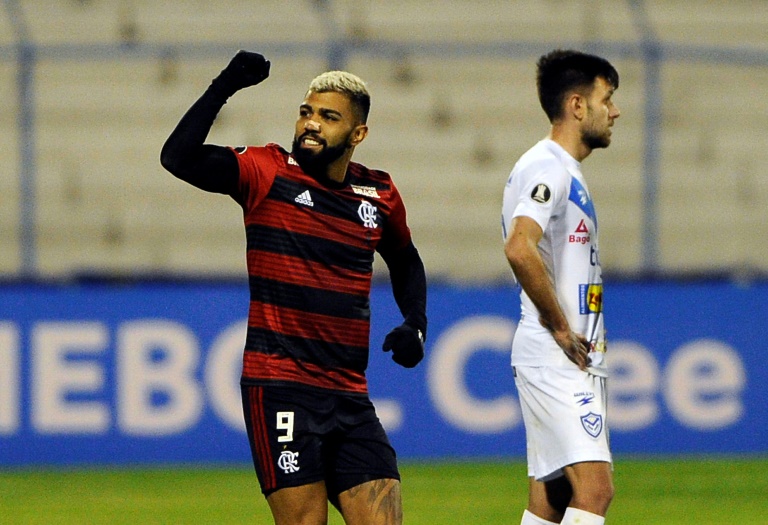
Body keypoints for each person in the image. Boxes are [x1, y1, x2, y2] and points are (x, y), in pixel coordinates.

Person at [161, 50, 427, 525]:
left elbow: (405, 260)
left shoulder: (379, 193)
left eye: (328, 117)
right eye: (306, 111)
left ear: (358, 134)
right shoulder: (266, 172)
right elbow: (177, 158)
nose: (311, 123)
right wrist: (224, 84)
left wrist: (416, 324)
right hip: (281, 387)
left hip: (349, 392)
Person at [501, 49, 620, 525]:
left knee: (550, 498)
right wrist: (559, 327)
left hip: (566, 355)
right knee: (595, 490)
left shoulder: (563, 169)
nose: (614, 111)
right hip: (556, 355)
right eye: (606, 98)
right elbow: (519, 246)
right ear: (577, 106)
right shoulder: (547, 166)